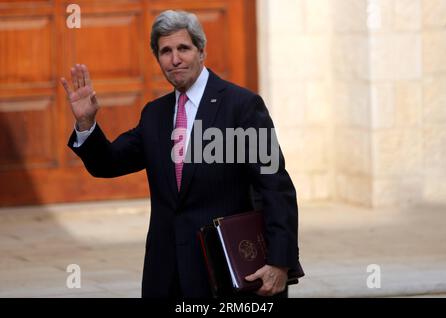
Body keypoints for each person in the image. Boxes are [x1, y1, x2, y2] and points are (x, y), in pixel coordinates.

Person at [60, 10, 304, 298]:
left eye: (183, 48)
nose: (174, 59)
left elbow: (276, 188)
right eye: (165, 51)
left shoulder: (242, 106)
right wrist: (86, 124)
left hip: (226, 276)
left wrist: (279, 261)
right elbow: (109, 163)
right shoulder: (155, 114)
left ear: (201, 51)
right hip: (166, 275)